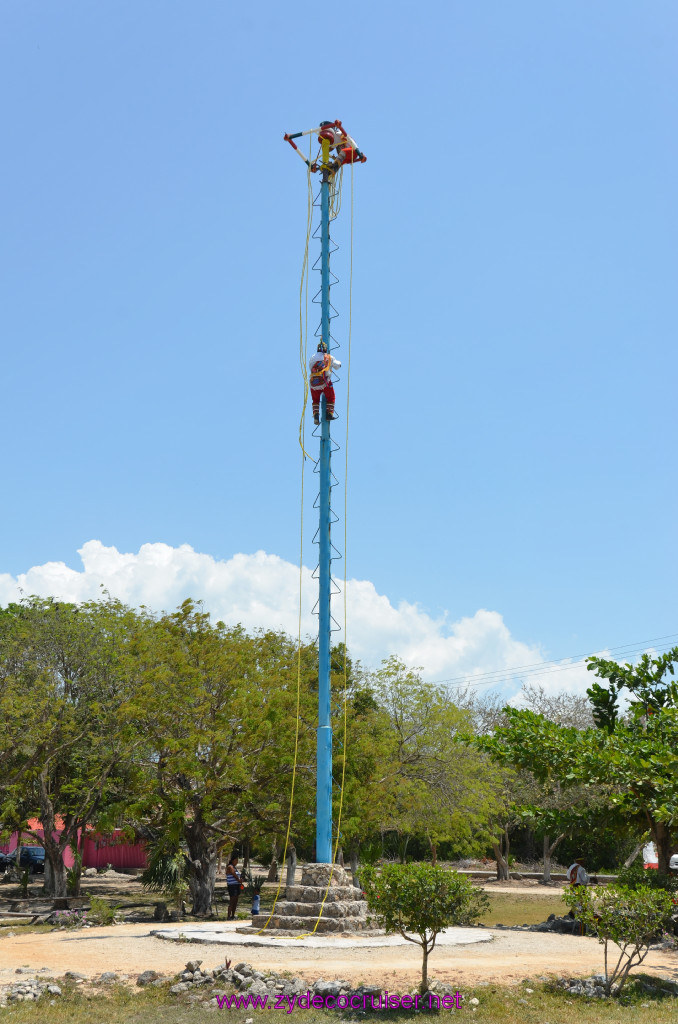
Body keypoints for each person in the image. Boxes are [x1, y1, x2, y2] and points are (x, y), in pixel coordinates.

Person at [309, 340, 341, 426]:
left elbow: (310, 367)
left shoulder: (312, 357)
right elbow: (337, 366)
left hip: (313, 384)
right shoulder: (329, 357)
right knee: (331, 397)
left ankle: (316, 415)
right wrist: (340, 364)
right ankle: (329, 414)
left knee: (315, 400)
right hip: (324, 383)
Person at [226, 855, 243, 920]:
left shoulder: (235, 867)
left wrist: (240, 880)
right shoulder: (230, 867)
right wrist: (239, 880)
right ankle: (228, 916)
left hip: (237, 885)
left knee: (235, 901)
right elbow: (234, 875)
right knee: (232, 901)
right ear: (233, 860)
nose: (237, 862)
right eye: (236, 860)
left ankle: (233, 915)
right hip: (232, 886)